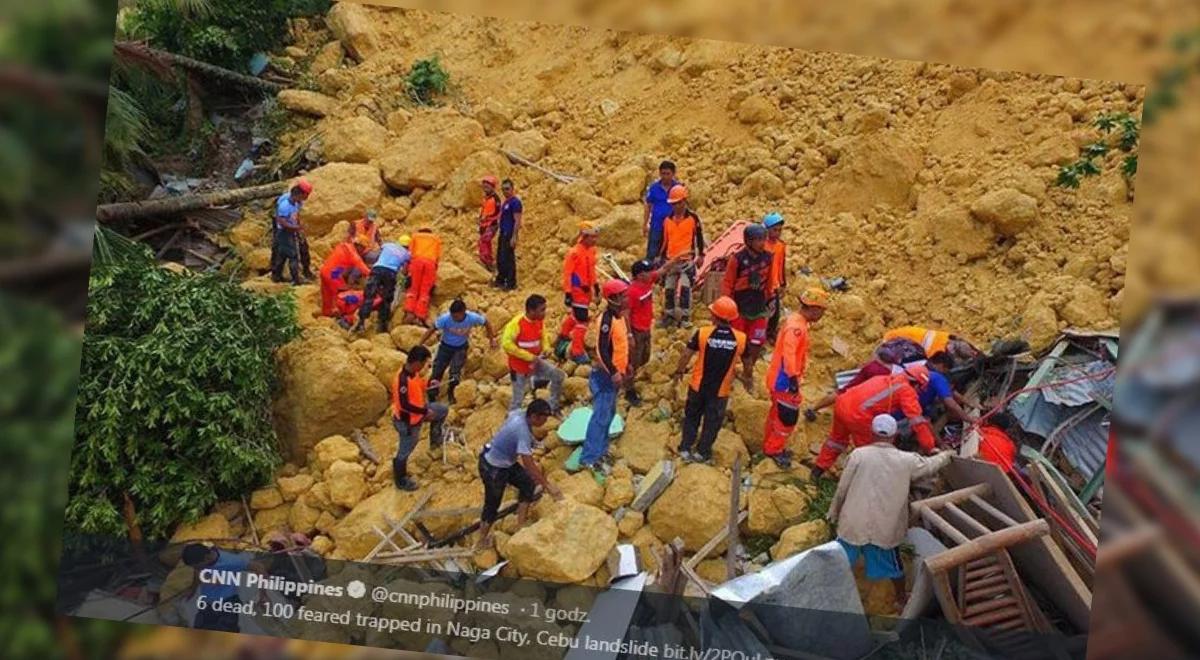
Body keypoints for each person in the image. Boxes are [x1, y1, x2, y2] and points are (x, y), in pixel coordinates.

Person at [828, 414, 953, 612]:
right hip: (884, 528)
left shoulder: (858, 455)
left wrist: (833, 512)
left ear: (872, 433)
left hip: (853, 524)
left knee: (839, 561)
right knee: (895, 569)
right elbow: (930, 466)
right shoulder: (907, 460)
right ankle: (901, 600)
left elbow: (842, 488)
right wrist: (945, 456)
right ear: (895, 436)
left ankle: (829, 594)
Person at [811, 364, 938, 480]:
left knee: (836, 441)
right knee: (871, 453)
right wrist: (930, 447)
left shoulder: (885, 379)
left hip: (842, 404)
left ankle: (817, 471)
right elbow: (917, 422)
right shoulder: (906, 390)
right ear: (917, 384)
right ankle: (858, 482)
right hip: (858, 416)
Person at [476, 399, 564, 550]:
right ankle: (481, 541)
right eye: (543, 419)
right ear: (534, 416)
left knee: (527, 484)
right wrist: (547, 486)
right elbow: (529, 463)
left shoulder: (519, 414)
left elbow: (508, 418)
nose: (545, 422)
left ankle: (520, 526)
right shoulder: (521, 431)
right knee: (492, 505)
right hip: (493, 468)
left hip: (505, 460)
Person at [671, 296, 746, 464]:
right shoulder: (740, 338)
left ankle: (685, 447)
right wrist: (746, 376)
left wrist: (679, 371)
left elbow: (686, 354)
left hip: (698, 386)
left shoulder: (703, 333)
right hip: (720, 390)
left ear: (715, 316)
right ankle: (702, 452)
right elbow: (747, 361)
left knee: (692, 417)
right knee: (712, 422)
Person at [762, 288, 829, 468]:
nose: (822, 315)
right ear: (813, 309)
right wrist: (792, 379)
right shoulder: (796, 328)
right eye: (821, 311)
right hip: (784, 381)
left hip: (780, 378)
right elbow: (788, 354)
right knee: (787, 418)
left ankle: (769, 444)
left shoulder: (796, 321)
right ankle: (773, 450)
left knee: (777, 413)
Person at [577, 279, 631, 479]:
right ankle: (589, 458)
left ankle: (600, 450)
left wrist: (627, 366)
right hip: (605, 376)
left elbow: (620, 345)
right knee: (600, 416)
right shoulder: (606, 320)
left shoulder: (619, 317)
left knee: (608, 414)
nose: (626, 298)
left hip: (615, 373)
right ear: (614, 299)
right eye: (623, 295)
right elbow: (601, 348)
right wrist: (614, 371)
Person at [805, 336, 926, 420]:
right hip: (883, 374)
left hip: (873, 364)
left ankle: (813, 407)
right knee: (866, 399)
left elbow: (879, 350)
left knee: (844, 390)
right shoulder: (921, 361)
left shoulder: (902, 343)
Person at [722, 222, 776, 390]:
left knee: (757, 342)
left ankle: (748, 371)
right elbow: (728, 283)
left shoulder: (768, 257)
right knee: (738, 342)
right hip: (740, 308)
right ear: (749, 241)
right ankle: (729, 372)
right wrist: (726, 305)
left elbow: (769, 281)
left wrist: (771, 298)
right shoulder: (737, 259)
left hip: (759, 308)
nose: (762, 243)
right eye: (758, 240)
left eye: (763, 239)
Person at [624, 256, 685, 405]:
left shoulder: (648, 280)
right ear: (639, 275)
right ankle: (629, 390)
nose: (651, 273)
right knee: (632, 362)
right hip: (636, 330)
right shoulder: (631, 292)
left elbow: (662, 270)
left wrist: (676, 260)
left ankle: (630, 377)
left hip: (646, 328)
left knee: (644, 358)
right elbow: (625, 314)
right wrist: (629, 334)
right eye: (647, 271)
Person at [391, 345, 448, 491]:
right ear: (416, 362)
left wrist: (430, 383)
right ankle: (400, 480)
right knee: (405, 450)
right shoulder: (402, 380)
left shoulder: (413, 373)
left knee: (442, 410)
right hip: (407, 421)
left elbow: (419, 386)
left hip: (419, 412)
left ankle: (435, 441)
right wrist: (424, 411)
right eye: (423, 363)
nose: (423, 367)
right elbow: (404, 405)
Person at [419, 299, 498, 404]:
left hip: (460, 348)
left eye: (456, 316)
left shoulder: (472, 317)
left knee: (455, 372)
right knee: (437, 370)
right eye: (452, 316)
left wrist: (492, 339)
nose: (454, 318)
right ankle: (432, 395)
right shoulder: (445, 319)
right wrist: (420, 343)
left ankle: (452, 392)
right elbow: (432, 329)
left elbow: (486, 323)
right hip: (445, 347)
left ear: (463, 312)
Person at [502, 294, 564, 413]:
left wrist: (546, 348)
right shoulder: (516, 324)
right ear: (531, 311)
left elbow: (543, 336)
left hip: (536, 362)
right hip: (519, 367)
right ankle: (512, 421)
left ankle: (553, 406)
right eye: (542, 310)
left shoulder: (539, 321)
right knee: (518, 399)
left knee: (558, 376)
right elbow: (506, 344)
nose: (545, 313)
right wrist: (528, 357)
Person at [657, 184, 705, 329]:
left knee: (685, 288)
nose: (677, 206)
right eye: (674, 204)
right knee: (669, 288)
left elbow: (699, 237)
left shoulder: (693, 219)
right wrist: (660, 258)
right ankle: (669, 315)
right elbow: (664, 240)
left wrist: (701, 254)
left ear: (685, 201)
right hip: (671, 260)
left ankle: (684, 316)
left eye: (679, 203)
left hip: (686, 260)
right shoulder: (667, 220)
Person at [181, 544, 256, 633]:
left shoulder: (232, 561)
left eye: (197, 566)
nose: (197, 569)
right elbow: (197, 572)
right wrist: (192, 589)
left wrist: (264, 594)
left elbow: (258, 567)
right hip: (207, 603)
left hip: (228, 603)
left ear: (206, 558)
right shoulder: (201, 562)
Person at [556, 222, 601, 364]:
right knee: (582, 319)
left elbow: (592, 270)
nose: (595, 240)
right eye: (592, 237)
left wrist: (596, 285)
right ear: (584, 237)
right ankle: (577, 351)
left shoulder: (591, 251)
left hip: (586, 291)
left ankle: (563, 335)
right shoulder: (574, 253)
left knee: (576, 316)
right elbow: (568, 274)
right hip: (577, 291)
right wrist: (568, 293)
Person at [354, 237, 410, 333]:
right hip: (391, 273)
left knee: (369, 295)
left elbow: (378, 253)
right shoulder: (407, 254)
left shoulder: (388, 245)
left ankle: (361, 322)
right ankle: (382, 324)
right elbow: (404, 271)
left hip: (377, 269)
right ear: (408, 246)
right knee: (386, 299)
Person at [270, 180, 312, 285]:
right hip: (285, 230)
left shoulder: (297, 202)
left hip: (291, 228)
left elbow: (295, 215)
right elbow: (281, 220)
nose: (306, 198)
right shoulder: (284, 203)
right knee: (291, 254)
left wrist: (298, 228)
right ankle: (294, 279)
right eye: (306, 195)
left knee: (284, 253)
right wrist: (295, 228)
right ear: (300, 193)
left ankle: (277, 275)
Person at [318, 239, 369, 317]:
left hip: (325, 271)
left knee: (327, 295)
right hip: (334, 274)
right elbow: (361, 266)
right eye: (363, 248)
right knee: (342, 294)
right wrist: (373, 274)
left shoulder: (343, 246)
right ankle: (342, 314)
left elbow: (341, 263)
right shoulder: (352, 253)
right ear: (359, 246)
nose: (363, 251)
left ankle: (326, 313)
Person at [404, 227, 442, 326]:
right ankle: (420, 316)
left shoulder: (415, 236)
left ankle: (409, 313)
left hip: (416, 262)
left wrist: (407, 269)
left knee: (413, 288)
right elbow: (437, 257)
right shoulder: (436, 239)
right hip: (430, 264)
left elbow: (409, 254)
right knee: (425, 291)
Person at [643, 160, 680, 262]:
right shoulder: (654, 188)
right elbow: (648, 206)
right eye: (663, 173)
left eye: (668, 174)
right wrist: (645, 224)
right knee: (652, 253)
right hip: (657, 226)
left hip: (673, 227)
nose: (665, 176)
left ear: (673, 174)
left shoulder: (678, 188)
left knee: (670, 254)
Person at [883, 325, 980, 362]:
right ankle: (976, 355)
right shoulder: (905, 330)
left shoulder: (893, 341)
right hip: (944, 338)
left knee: (959, 364)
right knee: (963, 349)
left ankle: (975, 359)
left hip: (937, 350)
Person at [763, 212, 787, 342]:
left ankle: (771, 334)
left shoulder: (781, 246)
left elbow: (781, 264)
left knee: (775, 313)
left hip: (775, 284)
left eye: (779, 230)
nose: (777, 233)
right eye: (774, 230)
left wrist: (783, 283)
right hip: (763, 285)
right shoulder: (761, 245)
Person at [495, 179, 523, 290]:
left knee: (508, 258)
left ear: (512, 188)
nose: (505, 191)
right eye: (503, 189)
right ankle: (501, 279)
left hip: (509, 233)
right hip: (503, 232)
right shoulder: (506, 202)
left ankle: (511, 283)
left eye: (507, 189)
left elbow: (517, 220)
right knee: (501, 257)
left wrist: (514, 236)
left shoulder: (515, 202)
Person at [478, 175, 502, 270]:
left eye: (488, 186)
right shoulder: (487, 198)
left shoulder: (495, 199)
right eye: (484, 186)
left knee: (484, 242)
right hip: (485, 225)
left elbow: (496, 213)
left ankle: (488, 263)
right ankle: (487, 262)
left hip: (491, 225)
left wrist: (487, 219)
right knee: (485, 243)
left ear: (492, 187)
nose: (485, 188)